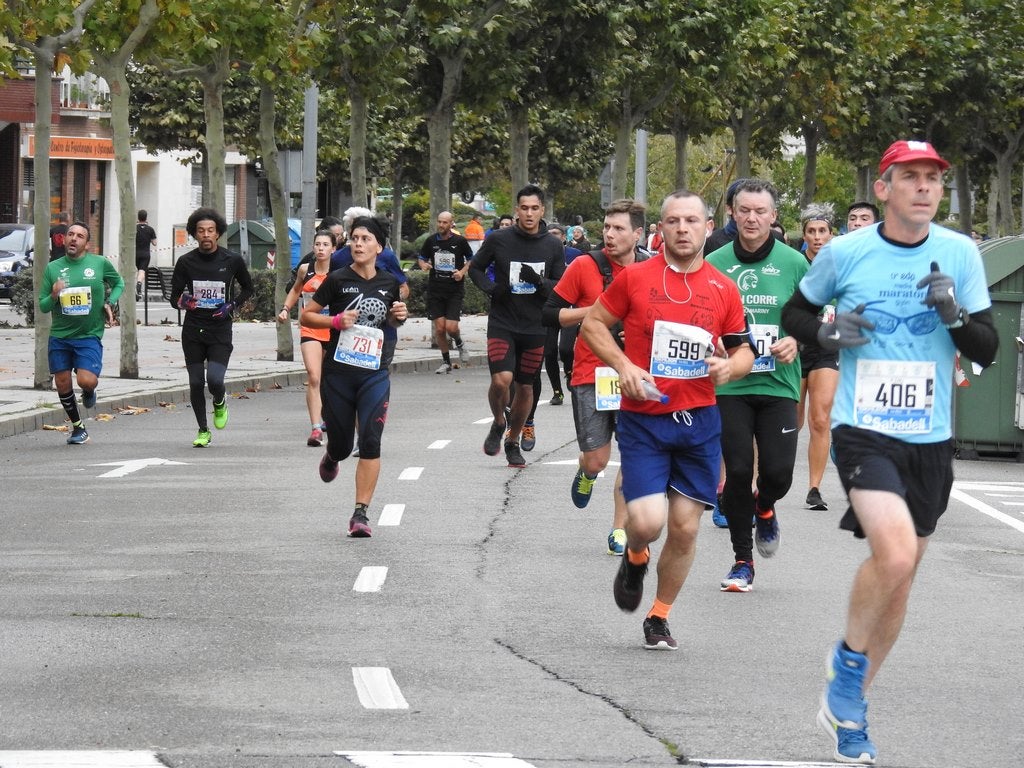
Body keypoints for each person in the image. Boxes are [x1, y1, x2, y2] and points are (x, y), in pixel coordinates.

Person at [781, 140, 998, 764]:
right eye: (911, 178)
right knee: (895, 552)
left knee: (900, 580)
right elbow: (799, 312)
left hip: (929, 438)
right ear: (885, 187)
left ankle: (849, 714)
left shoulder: (959, 253)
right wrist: (825, 332)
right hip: (864, 428)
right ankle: (847, 669)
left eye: (933, 179)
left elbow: (985, 349)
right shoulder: (847, 252)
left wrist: (953, 314)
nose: (924, 188)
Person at [580, 189, 755, 650]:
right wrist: (624, 366)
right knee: (648, 522)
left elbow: (743, 351)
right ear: (661, 228)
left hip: (699, 421)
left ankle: (658, 616)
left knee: (685, 527)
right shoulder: (636, 279)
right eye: (673, 221)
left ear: (707, 226)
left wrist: (729, 368)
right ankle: (635, 557)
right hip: (644, 420)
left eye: (691, 221)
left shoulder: (723, 287)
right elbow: (594, 325)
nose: (682, 229)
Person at [706, 179, 807, 593]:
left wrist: (796, 339)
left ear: (773, 216)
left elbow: (816, 317)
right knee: (738, 472)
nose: (751, 218)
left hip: (779, 383)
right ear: (732, 212)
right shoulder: (713, 261)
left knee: (779, 474)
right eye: (744, 210)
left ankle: (766, 506)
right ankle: (742, 561)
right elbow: (701, 316)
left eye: (760, 211)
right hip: (730, 385)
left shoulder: (795, 263)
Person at [543, 199, 648, 556]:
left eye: (618, 228)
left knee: (633, 456)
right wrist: (598, 313)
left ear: (638, 233)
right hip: (592, 373)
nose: (609, 234)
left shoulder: (652, 268)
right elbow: (550, 314)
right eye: (606, 227)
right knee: (598, 459)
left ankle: (619, 528)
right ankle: (586, 473)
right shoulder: (584, 266)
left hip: (636, 374)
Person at [301, 216, 409, 538]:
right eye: (354, 238)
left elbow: (391, 322)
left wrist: (398, 317)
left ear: (379, 246)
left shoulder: (389, 282)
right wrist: (334, 321)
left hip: (374, 373)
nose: (358, 244)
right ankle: (333, 454)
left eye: (365, 239)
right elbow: (307, 315)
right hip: (339, 374)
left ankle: (360, 514)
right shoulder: (336, 279)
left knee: (371, 441)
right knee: (343, 444)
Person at [469, 184, 564, 469]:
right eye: (524, 208)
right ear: (517, 210)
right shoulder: (499, 238)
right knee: (501, 380)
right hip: (503, 321)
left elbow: (560, 286)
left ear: (542, 210)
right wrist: (490, 288)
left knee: (525, 387)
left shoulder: (553, 245)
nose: (529, 213)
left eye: (535, 208)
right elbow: (475, 268)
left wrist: (539, 282)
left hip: (535, 325)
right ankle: (499, 421)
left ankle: (512, 440)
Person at [170, 207, 254, 448]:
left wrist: (231, 305)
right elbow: (174, 297)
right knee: (196, 382)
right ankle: (203, 430)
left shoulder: (232, 260)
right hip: (193, 330)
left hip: (219, 329)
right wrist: (186, 302)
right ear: (194, 235)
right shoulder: (186, 262)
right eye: (201, 231)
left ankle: (219, 400)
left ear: (218, 234)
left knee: (215, 379)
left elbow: (248, 288)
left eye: (210, 231)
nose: (206, 235)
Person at [38, 221, 124, 444]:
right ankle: (78, 427)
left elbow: (119, 283)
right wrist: (55, 294)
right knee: (63, 382)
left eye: (79, 236)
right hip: (60, 335)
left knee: (86, 381)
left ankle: (88, 391)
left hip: (88, 334)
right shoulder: (53, 268)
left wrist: (109, 303)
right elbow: (44, 306)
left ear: (87, 243)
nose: (74, 238)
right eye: (70, 234)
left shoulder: (99, 263)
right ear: (64, 239)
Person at [796, 202, 850, 512]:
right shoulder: (794, 264)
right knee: (793, 420)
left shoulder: (842, 268)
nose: (817, 237)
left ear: (832, 234)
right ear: (804, 235)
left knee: (820, 419)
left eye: (823, 231)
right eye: (812, 232)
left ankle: (814, 488)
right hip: (795, 349)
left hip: (827, 350)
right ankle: (769, 477)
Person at [277, 229, 336, 446]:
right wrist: (286, 309)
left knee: (331, 380)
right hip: (310, 329)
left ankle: (332, 417)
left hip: (333, 330)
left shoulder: (340, 272)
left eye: (325, 245)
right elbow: (295, 290)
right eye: (317, 244)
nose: (321, 248)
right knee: (314, 376)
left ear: (333, 249)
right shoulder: (305, 269)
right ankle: (315, 429)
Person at [418, 211, 473, 374]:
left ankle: (460, 343)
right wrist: (423, 264)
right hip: (435, 288)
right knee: (440, 329)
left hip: (454, 289)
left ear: (451, 224)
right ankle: (446, 361)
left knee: (451, 327)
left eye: (445, 222)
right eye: (439, 222)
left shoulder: (460, 241)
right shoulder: (431, 241)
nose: (441, 225)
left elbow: (471, 259)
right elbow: (421, 257)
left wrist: (462, 272)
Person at [134, 210, 157, 301]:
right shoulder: (150, 229)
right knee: (142, 271)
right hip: (145, 254)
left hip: (135, 254)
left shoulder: (134, 228)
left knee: (137, 270)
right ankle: (139, 284)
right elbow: (154, 243)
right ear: (146, 218)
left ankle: (137, 288)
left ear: (138, 217)